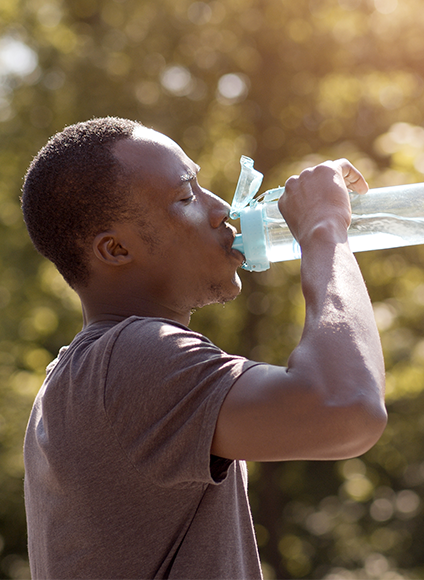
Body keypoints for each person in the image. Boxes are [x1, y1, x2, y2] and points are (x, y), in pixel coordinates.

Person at [20, 116, 387, 579]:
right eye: (185, 197)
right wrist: (325, 230)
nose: (221, 211)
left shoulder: (79, 377)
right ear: (115, 249)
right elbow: (348, 408)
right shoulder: (131, 359)